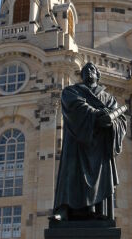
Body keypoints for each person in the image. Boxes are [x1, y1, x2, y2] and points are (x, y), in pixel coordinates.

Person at [52, 63, 126, 220]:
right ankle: (63, 209)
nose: (89, 72)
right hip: (77, 142)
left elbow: (120, 120)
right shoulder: (71, 91)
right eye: (85, 70)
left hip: (99, 145)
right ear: (81, 76)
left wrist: (111, 122)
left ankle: (98, 211)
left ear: (98, 76)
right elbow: (75, 106)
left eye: (92, 69)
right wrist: (98, 114)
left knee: (100, 178)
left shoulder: (108, 98)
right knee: (70, 172)